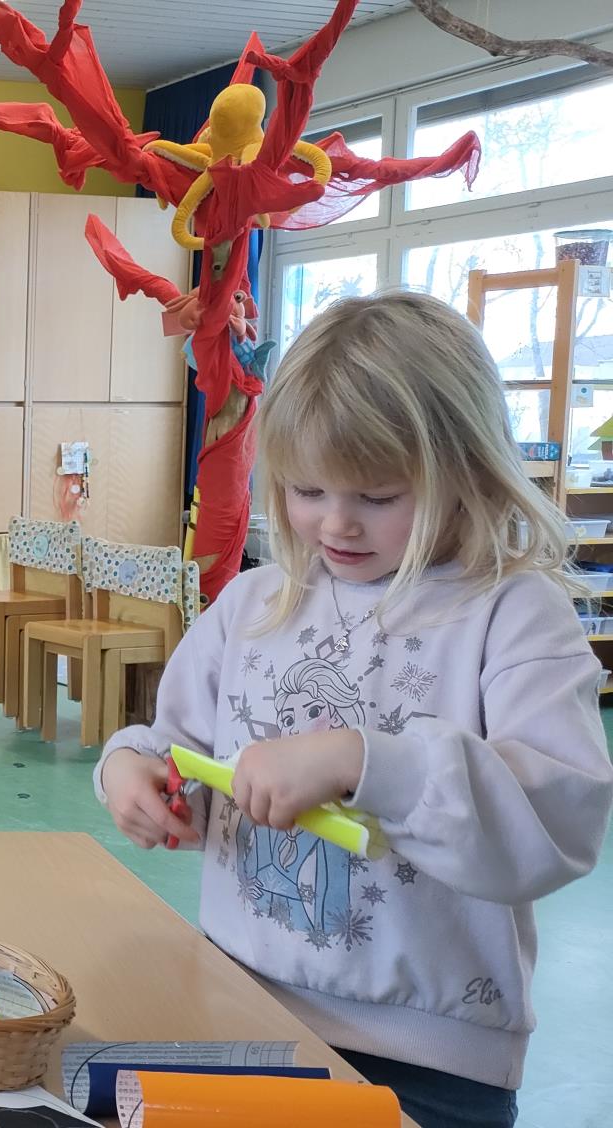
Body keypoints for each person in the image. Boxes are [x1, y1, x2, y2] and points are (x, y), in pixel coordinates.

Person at [96, 292, 613, 1128]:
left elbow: (559, 816)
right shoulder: (255, 602)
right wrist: (131, 771)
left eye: (377, 496)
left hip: (429, 1063)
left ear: (466, 472)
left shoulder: (511, 612)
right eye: (307, 489)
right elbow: (174, 743)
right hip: (237, 1002)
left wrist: (361, 761)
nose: (335, 523)